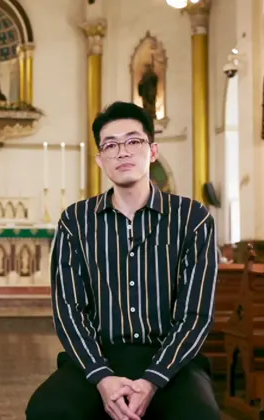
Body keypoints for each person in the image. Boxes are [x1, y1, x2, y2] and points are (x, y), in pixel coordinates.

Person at [25, 101, 220, 420]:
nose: (122, 152)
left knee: (198, 416)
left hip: (171, 361)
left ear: (152, 151)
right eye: (111, 145)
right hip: (98, 358)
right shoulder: (76, 221)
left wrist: (153, 379)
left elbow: (196, 313)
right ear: (100, 159)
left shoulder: (192, 218)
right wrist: (101, 377)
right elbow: (68, 310)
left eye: (133, 141)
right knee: (47, 411)